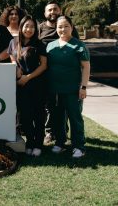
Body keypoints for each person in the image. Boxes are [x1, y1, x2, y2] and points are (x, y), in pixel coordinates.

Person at [47, 16, 90, 158]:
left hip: (73, 89)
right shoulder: (50, 46)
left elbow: (86, 67)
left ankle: (79, 146)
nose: (62, 29)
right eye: (60, 26)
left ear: (71, 27)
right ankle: (60, 142)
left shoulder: (79, 45)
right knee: (57, 117)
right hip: (54, 90)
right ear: (56, 28)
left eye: (66, 26)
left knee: (75, 117)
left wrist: (83, 87)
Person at [39, 1, 79, 143]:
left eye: (55, 9)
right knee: (50, 105)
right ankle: (49, 132)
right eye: (49, 10)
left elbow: (77, 49)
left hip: (66, 75)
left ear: (60, 10)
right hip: (45, 73)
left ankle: (63, 132)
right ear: (45, 13)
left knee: (66, 106)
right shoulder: (40, 28)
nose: (52, 12)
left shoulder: (68, 27)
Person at [8, 16, 47, 157]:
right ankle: (30, 142)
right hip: (20, 86)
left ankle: (38, 145)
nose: (29, 29)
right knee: (25, 116)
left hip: (37, 84)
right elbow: (12, 58)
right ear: (21, 27)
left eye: (32, 27)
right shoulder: (13, 42)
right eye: (26, 26)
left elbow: (43, 65)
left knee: (38, 116)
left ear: (35, 29)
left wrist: (27, 77)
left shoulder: (39, 44)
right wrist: (16, 70)